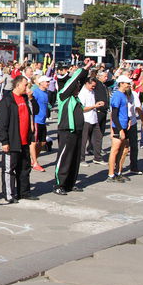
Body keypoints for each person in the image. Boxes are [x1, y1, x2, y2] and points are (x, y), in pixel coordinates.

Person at [53, 60, 93, 195]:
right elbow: (75, 80)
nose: (78, 87)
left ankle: (70, 183)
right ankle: (59, 184)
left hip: (77, 131)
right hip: (66, 131)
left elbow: (79, 82)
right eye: (76, 86)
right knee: (64, 158)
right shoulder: (64, 95)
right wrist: (84, 68)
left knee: (74, 159)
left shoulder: (76, 99)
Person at [0, 75, 36, 203]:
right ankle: (9, 194)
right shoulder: (7, 100)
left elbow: (35, 111)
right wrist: (4, 141)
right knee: (9, 169)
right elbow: (2, 123)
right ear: (18, 85)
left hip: (24, 140)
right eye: (25, 85)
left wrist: (31, 98)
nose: (27, 87)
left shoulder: (25, 98)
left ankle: (23, 192)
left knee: (24, 168)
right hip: (13, 141)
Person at [107, 75, 133, 182]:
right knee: (115, 150)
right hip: (118, 127)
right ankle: (111, 174)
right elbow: (114, 115)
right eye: (126, 83)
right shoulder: (117, 95)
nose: (128, 85)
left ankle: (118, 171)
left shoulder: (123, 95)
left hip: (124, 125)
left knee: (124, 149)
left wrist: (129, 120)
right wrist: (119, 129)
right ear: (121, 83)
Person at [78, 77, 106, 166]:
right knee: (83, 140)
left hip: (94, 118)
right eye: (92, 86)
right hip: (86, 119)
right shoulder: (82, 94)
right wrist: (94, 106)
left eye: (94, 86)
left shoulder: (92, 92)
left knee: (98, 138)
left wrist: (98, 104)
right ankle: (81, 159)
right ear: (87, 83)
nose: (93, 88)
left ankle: (97, 157)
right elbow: (82, 108)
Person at [29, 75, 51, 171]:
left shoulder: (46, 93)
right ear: (41, 83)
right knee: (33, 142)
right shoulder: (36, 92)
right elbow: (31, 106)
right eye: (46, 82)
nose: (48, 83)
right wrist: (31, 122)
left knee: (42, 143)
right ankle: (35, 163)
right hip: (36, 121)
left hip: (43, 121)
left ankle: (33, 160)